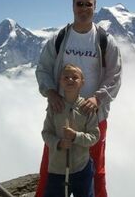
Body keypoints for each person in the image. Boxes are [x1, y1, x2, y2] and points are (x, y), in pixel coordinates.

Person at [35, 0, 122, 197]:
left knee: (96, 171)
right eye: (79, 4)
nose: (83, 8)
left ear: (95, 7)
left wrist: (97, 98)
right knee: (50, 166)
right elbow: (43, 69)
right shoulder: (60, 38)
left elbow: (115, 75)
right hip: (60, 113)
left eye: (88, 4)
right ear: (73, 6)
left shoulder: (104, 40)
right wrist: (51, 93)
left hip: (93, 115)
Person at [42, 64, 100, 197]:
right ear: (60, 81)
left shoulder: (87, 108)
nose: (70, 80)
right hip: (57, 169)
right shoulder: (54, 107)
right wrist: (59, 143)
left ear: (82, 82)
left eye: (75, 77)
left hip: (82, 167)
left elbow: (94, 136)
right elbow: (46, 133)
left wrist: (76, 136)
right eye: (66, 77)